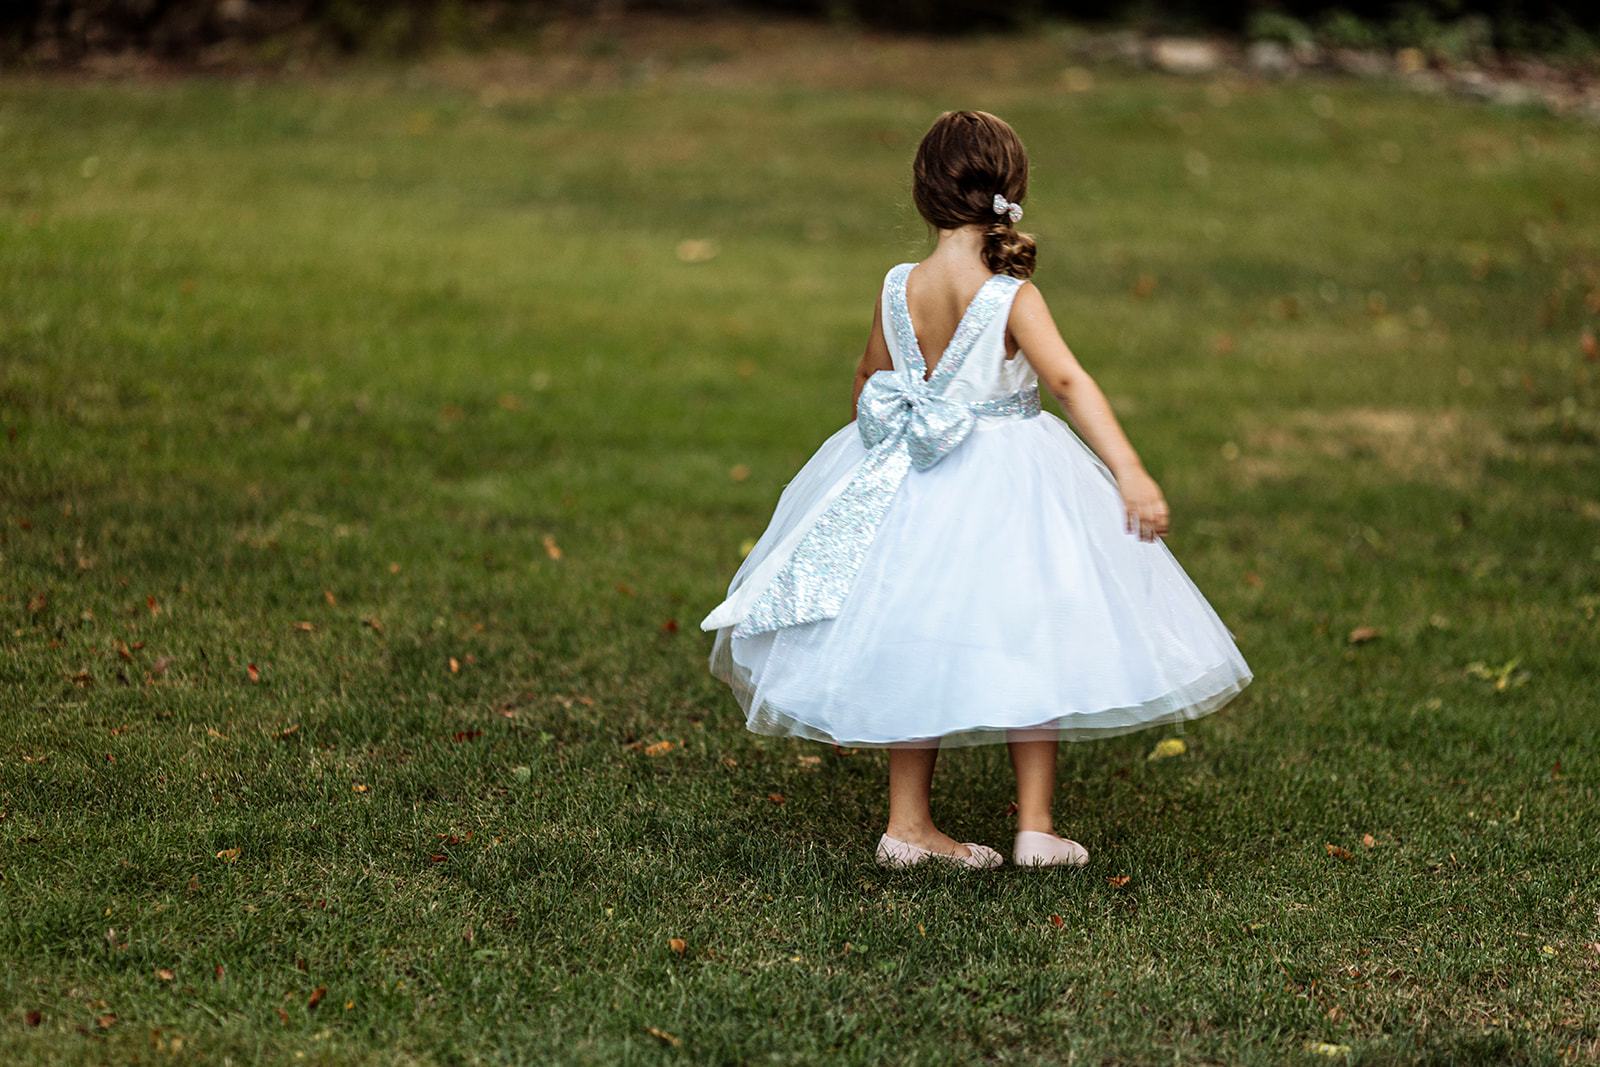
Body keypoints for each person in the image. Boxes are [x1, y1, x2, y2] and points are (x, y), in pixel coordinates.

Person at [701, 110, 1251, 870]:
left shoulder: (900, 287)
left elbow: (870, 380)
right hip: (1012, 488)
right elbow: (1067, 381)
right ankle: (1035, 825)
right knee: (1038, 629)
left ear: (925, 193)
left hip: (913, 481)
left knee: (911, 635)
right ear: (1011, 192)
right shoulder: (1011, 295)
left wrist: (876, 460)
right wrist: (1128, 468)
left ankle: (908, 824)